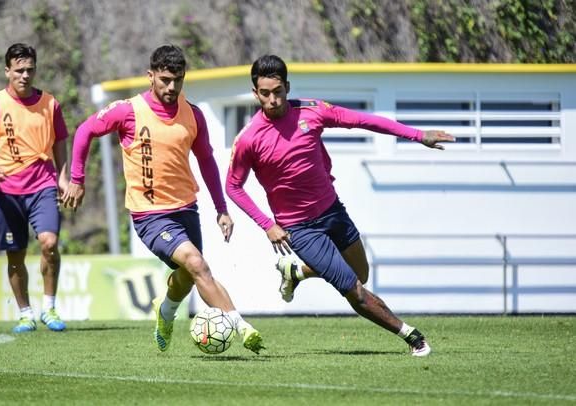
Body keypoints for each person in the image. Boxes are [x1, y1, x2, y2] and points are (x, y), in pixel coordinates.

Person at [226, 55, 456, 357]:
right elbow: (232, 186)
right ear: (255, 93)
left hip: (333, 211)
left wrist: (417, 135)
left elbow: (364, 120)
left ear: (287, 87)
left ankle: (297, 272)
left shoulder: (313, 111)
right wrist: (267, 224)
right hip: (299, 229)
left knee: (360, 274)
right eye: (265, 93)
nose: (272, 99)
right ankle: (413, 337)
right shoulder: (249, 139)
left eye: (278, 91)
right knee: (353, 290)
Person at [62, 44, 264, 354]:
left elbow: (207, 162)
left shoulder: (193, 115)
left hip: (186, 208)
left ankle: (165, 311)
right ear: (151, 76)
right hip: (150, 215)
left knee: (188, 274)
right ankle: (241, 326)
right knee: (197, 264)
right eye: (165, 80)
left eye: (178, 80)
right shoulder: (127, 111)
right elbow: (85, 131)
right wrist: (77, 179)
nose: (171, 87)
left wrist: (222, 209)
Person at [0, 43, 69, 333]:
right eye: (19, 70)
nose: (25, 75)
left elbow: (60, 140)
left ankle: (49, 308)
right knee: (16, 256)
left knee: (49, 243)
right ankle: (25, 313)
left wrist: (62, 176)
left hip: (43, 187)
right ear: (7, 71)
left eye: (30, 70)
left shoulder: (50, 103)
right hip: (8, 192)